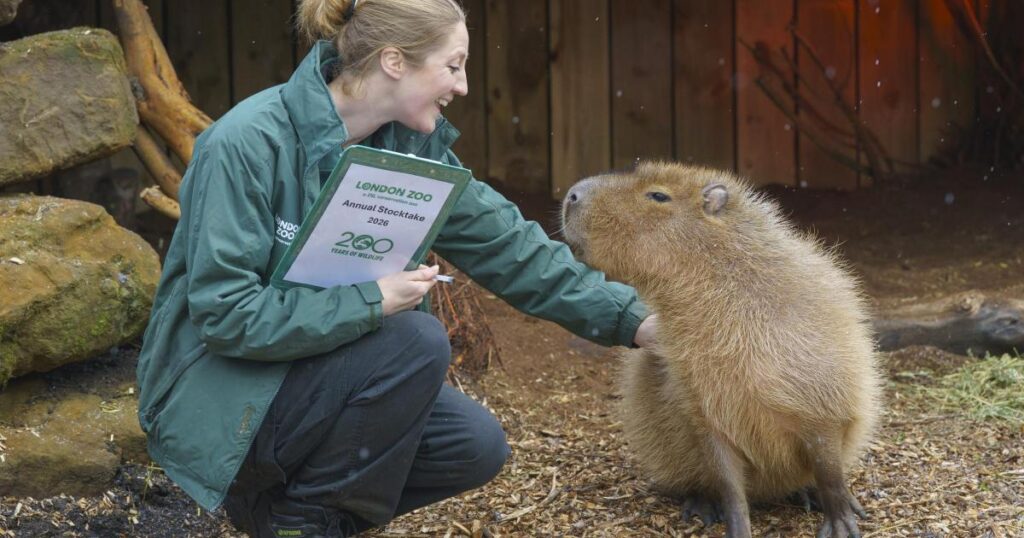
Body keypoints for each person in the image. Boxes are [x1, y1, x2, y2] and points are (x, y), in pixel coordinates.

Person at [135, 0, 657, 536]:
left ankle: (292, 517)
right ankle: (300, 521)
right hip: (221, 397)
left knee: (471, 445)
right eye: (453, 66)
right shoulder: (245, 143)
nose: (463, 86)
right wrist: (373, 299)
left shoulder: (407, 147)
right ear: (393, 61)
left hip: (312, 379)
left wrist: (635, 320)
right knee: (416, 340)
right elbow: (226, 316)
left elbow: (509, 246)